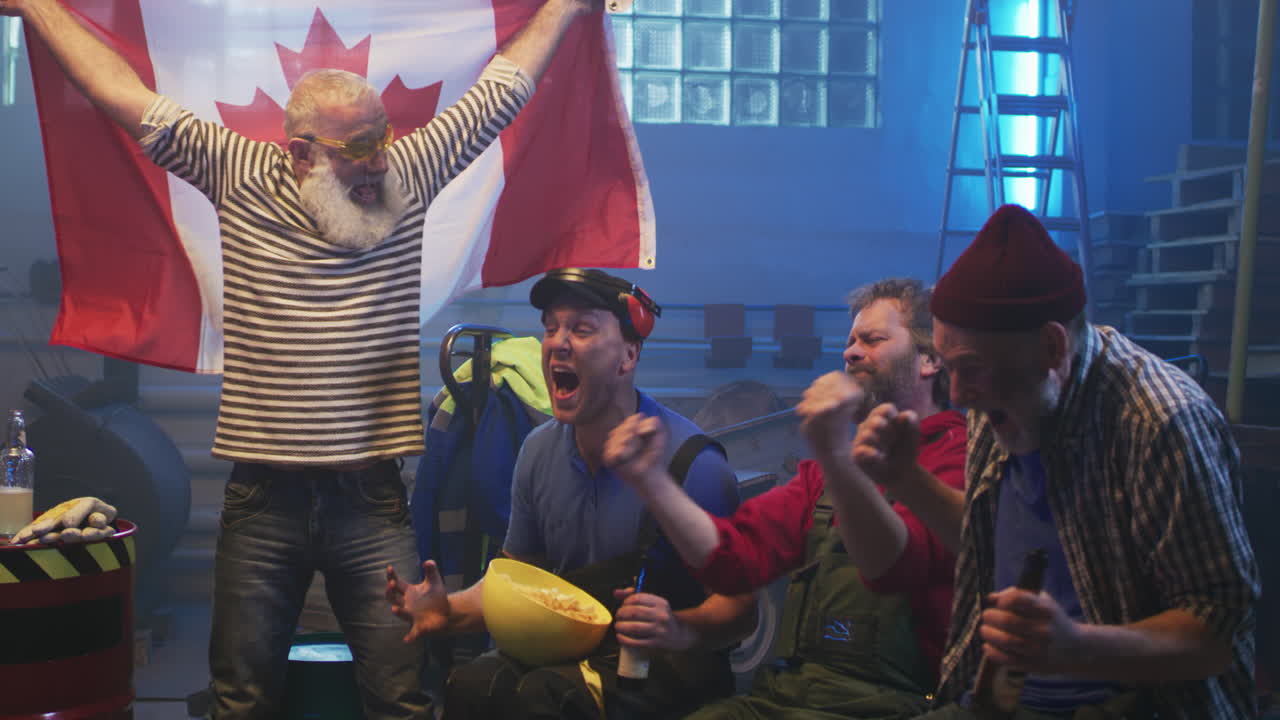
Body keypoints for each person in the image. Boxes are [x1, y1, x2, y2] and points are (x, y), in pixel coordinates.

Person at [1, 0, 606, 716]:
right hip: (263, 503)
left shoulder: (403, 175)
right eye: (356, 149)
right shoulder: (237, 171)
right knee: (242, 701)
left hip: (373, 502)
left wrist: (568, 6)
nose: (377, 161)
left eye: (380, 139)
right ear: (299, 152)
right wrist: (36, 7)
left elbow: (504, 87)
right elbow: (121, 95)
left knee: (401, 698)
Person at [862, 204, 1260, 718]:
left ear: (1051, 347)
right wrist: (905, 479)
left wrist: (1077, 647)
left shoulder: (1159, 422)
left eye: (970, 369)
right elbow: (987, 538)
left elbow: (1219, 630)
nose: (957, 394)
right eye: (948, 364)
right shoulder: (1007, 391)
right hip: (995, 700)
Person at [385, 268, 756, 719]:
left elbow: (741, 611)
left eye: (581, 329)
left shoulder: (694, 465)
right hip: (574, 650)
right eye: (550, 328)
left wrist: (679, 627)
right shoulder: (539, 452)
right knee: (473, 686)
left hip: (671, 663)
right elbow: (518, 579)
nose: (558, 342)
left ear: (628, 356)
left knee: (549, 697)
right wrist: (447, 611)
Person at [605, 277, 967, 719]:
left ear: (929, 359)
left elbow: (893, 563)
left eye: (872, 340)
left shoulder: (961, 462)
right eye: (850, 341)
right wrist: (652, 481)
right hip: (796, 696)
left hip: (902, 707)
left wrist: (836, 454)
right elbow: (731, 559)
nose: (850, 353)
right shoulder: (824, 477)